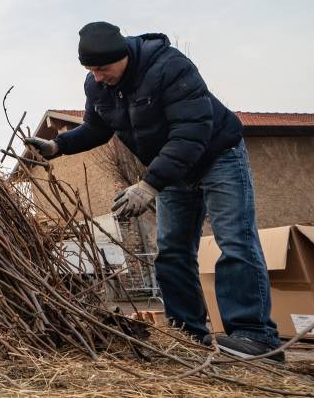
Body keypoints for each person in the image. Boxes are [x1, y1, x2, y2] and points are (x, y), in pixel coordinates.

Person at [24, 22, 282, 360]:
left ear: (124, 56)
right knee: (172, 251)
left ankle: (255, 336)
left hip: (217, 156)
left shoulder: (170, 67)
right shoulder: (99, 85)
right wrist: (58, 146)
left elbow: (191, 132)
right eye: (90, 70)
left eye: (102, 68)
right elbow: (97, 128)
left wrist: (149, 184)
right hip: (171, 170)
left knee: (234, 240)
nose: (97, 76)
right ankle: (187, 333)